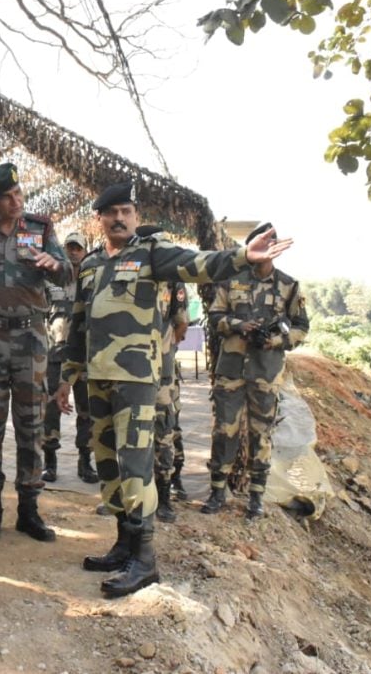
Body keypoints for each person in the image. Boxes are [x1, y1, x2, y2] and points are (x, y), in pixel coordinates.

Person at [57, 182, 291, 598]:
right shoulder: (91, 266)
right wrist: (67, 375)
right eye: (112, 212)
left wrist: (241, 256)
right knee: (108, 462)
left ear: (134, 215)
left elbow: (197, 264)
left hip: (136, 378)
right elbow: (78, 324)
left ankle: (145, 560)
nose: (120, 218)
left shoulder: (150, 254)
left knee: (135, 465)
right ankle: (124, 543)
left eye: (127, 211)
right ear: (100, 220)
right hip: (97, 378)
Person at [0, 162, 71, 545]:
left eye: (18, 193)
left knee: (31, 424)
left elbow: (67, 272)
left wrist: (56, 265)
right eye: (7, 197)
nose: (16, 200)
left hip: (31, 339)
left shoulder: (41, 229)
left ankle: (29, 510)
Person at [201, 222, 309, 519]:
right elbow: (214, 316)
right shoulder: (230, 281)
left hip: (266, 370)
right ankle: (217, 491)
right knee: (225, 431)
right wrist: (238, 325)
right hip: (231, 369)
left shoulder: (288, 285)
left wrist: (276, 340)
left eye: (270, 246)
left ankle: (256, 498)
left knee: (261, 434)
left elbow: (302, 327)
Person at [135, 224, 191, 521]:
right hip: (129, 367)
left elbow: (181, 325)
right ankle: (126, 494)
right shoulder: (128, 273)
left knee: (163, 429)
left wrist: (163, 350)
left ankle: (164, 493)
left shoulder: (174, 279)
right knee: (128, 431)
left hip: (161, 369)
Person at [40, 231, 97, 485]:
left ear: (84, 252)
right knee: (51, 409)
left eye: (78, 248)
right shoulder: (51, 282)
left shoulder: (92, 282)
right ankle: (49, 462)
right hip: (55, 356)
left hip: (84, 357)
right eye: (70, 248)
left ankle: (85, 461)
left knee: (88, 410)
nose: (74, 252)